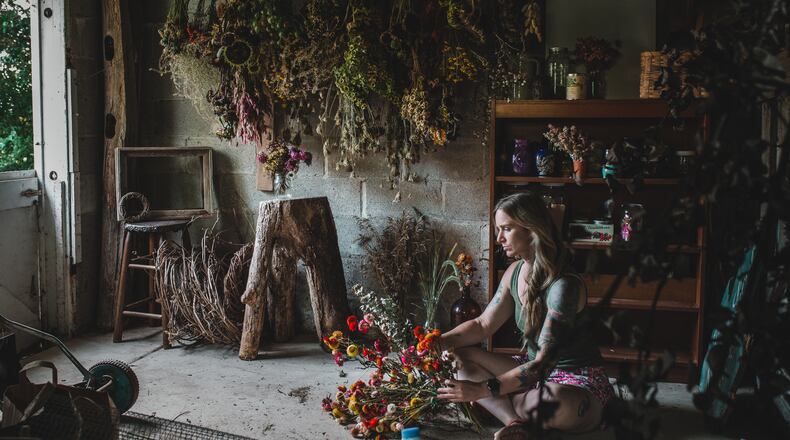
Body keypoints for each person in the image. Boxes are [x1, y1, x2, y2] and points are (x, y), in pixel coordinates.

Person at [436, 192, 614, 438]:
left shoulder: (564, 286)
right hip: (531, 374)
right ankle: (515, 423)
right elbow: (482, 324)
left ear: (532, 229)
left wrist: (481, 389)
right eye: (499, 229)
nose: (499, 238)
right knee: (456, 355)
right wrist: (437, 341)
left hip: (575, 380)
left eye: (506, 229)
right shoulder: (514, 271)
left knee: (555, 402)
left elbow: (543, 364)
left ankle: (508, 404)